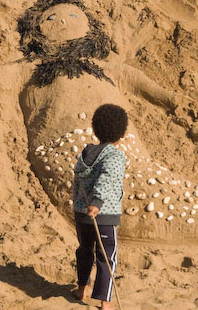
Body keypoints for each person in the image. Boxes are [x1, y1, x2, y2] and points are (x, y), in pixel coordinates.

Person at [72, 103, 128, 309]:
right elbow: (106, 179)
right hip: (102, 214)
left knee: (85, 250)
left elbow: (78, 181)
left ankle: (82, 289)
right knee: (106, 256)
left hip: (81, 214)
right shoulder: (115, 156)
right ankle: (105, 302)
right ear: (121, 133)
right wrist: (97, 203)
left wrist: (81, 206)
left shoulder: (86, 153)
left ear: (95, 129)